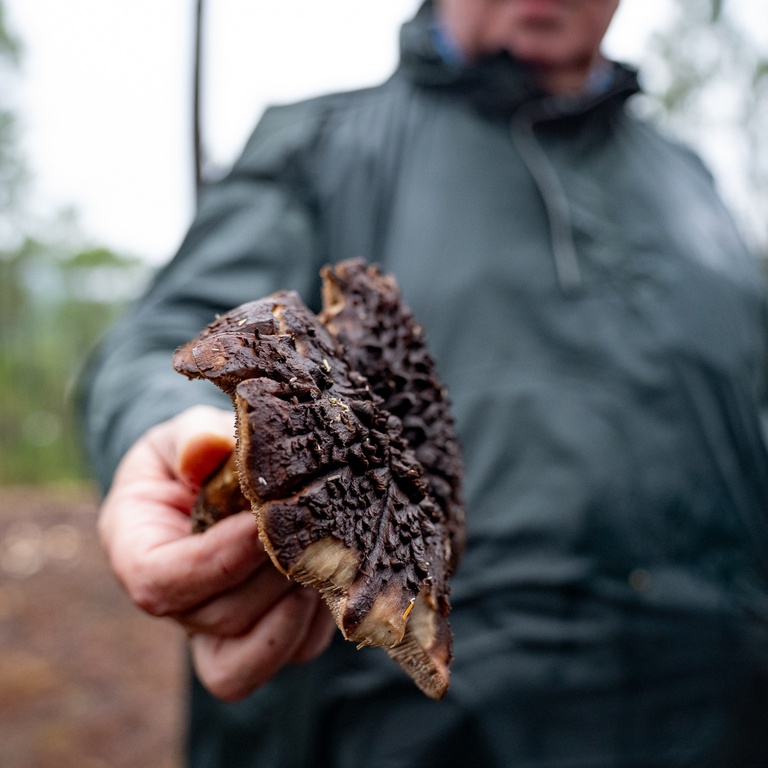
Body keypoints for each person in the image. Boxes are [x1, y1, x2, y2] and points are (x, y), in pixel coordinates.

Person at [80, 0, 768, 765]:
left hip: (721, 713)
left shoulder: (690, 176)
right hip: (405, 727)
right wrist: (166, 428)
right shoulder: (323, 143)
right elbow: (163, 340)